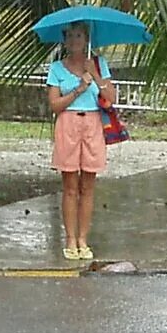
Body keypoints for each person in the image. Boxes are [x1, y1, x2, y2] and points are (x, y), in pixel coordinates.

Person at [46, 21, 117, 260]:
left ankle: (84, 239)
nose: (75, 40)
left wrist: (95, 75)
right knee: (70, 187)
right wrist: (78, 89)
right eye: (71, 36)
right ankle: (70, 239)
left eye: (79, 35)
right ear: (65, 40)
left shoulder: (98, 63)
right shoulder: (57, 68)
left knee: (88, 186)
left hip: (93, 124)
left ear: (87, 39)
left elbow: (110, 96)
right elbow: (55, 105)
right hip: (68, 123)